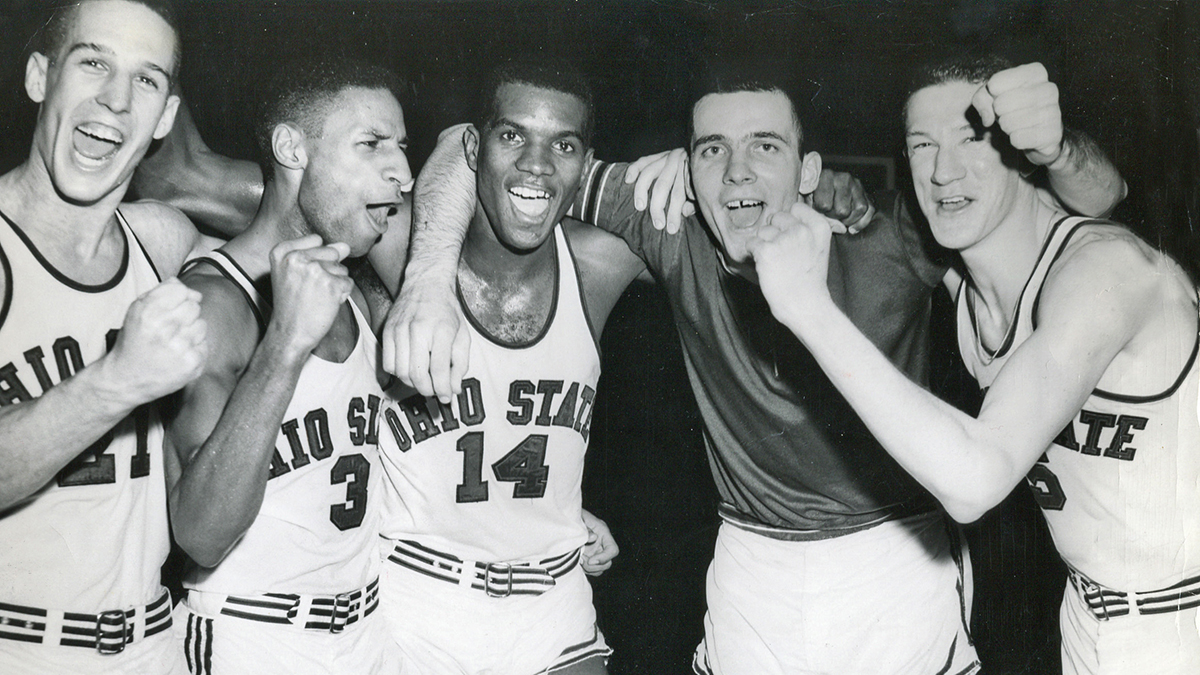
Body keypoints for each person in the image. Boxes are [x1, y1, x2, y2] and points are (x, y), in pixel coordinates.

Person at [385, 60, 1127, 674]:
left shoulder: (895, 232)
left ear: (810, 169)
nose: (737, 172)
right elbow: (471, 146)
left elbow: (1097, 199)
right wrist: (424, 280)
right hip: (751, 564)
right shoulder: (668, 220)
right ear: (688, 163)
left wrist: (1057, 150)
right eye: (712, 149)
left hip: (896, 559)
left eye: (764, 147)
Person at [742, 56, 1200, 675]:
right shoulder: (965, 287)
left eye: (969, 140)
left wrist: (809, 309)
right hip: (1089, 615)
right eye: (922, 145)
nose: (942, 169)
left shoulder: (1106, 272)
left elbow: (975, 481)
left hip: (1182, 622)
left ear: (1018, 152)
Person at [372, 60, 634, 675]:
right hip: (417, 602)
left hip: (554, 605)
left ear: (585, 162)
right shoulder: (400, 246)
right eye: (512, 135)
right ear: (475, 145)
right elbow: (273, 190)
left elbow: (725, 235)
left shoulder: (597, 265)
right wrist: (427, 276)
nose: (537, 164)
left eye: (562, 145)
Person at [163, 57, 411, 674]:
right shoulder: (214, 302)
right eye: (371, 145)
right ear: (290, 149)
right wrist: (283, 347)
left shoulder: (355, 285)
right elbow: (200, 533)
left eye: (402, 148)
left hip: (367, 633)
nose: (402, 173)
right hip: (256, 638)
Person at [0, 1, 208, 672]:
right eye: (93, 63)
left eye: (146, 80)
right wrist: (116, 380)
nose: (116, 99)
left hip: (153, 644)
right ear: (39, 76)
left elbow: (297, 217)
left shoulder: (160, 241)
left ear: (166, 118)